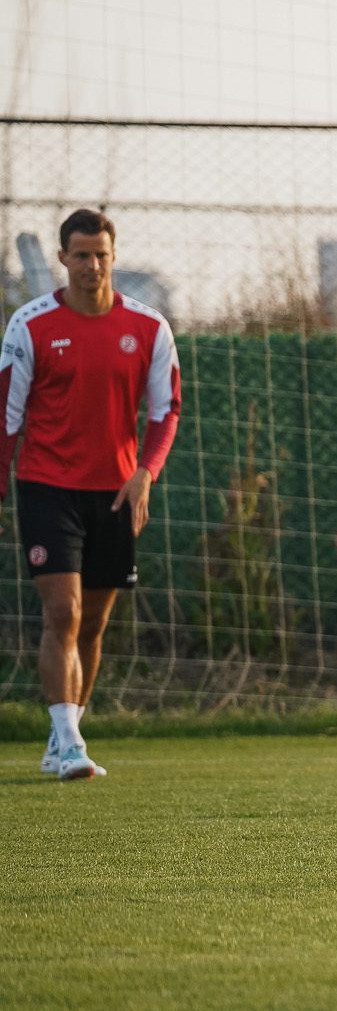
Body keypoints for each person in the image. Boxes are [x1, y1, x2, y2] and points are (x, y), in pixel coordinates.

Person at [1, 209, 183, 780]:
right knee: (63, 612)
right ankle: (69, 740)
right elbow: (6, 419)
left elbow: (165, 411)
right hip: (46, 486)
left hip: (116, 493)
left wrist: (146, 473)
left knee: (94, 626)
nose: (92, 265)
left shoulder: (149, 328)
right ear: (63, 258)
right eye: (81, 254)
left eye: (101, 254)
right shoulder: (28, 326)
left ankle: (63, 738)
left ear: (113, 255)